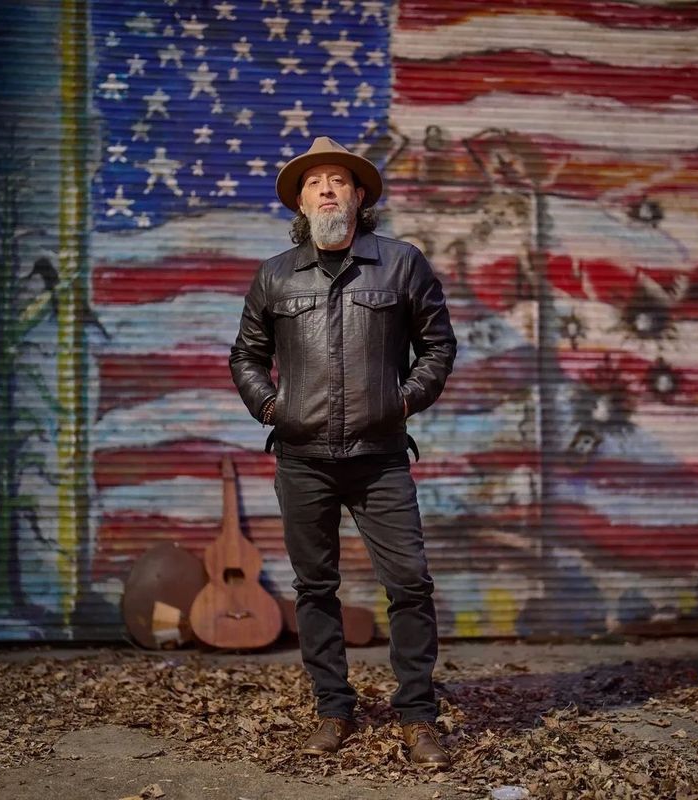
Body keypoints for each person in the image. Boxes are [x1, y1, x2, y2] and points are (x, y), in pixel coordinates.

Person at [229, 136, 456, 768]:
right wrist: (273, 409)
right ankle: (333, 709)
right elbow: (245, 356)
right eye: (314, 182)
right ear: (301, 201)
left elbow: (438, 347)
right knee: (315, 588)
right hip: (301, 458)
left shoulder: (401, 264)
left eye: (339, 179)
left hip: (380, 455)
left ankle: (417, 717)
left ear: (360, 196)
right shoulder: (275, 274)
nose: (327, 188)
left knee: (409, 583)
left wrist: (401, 401)